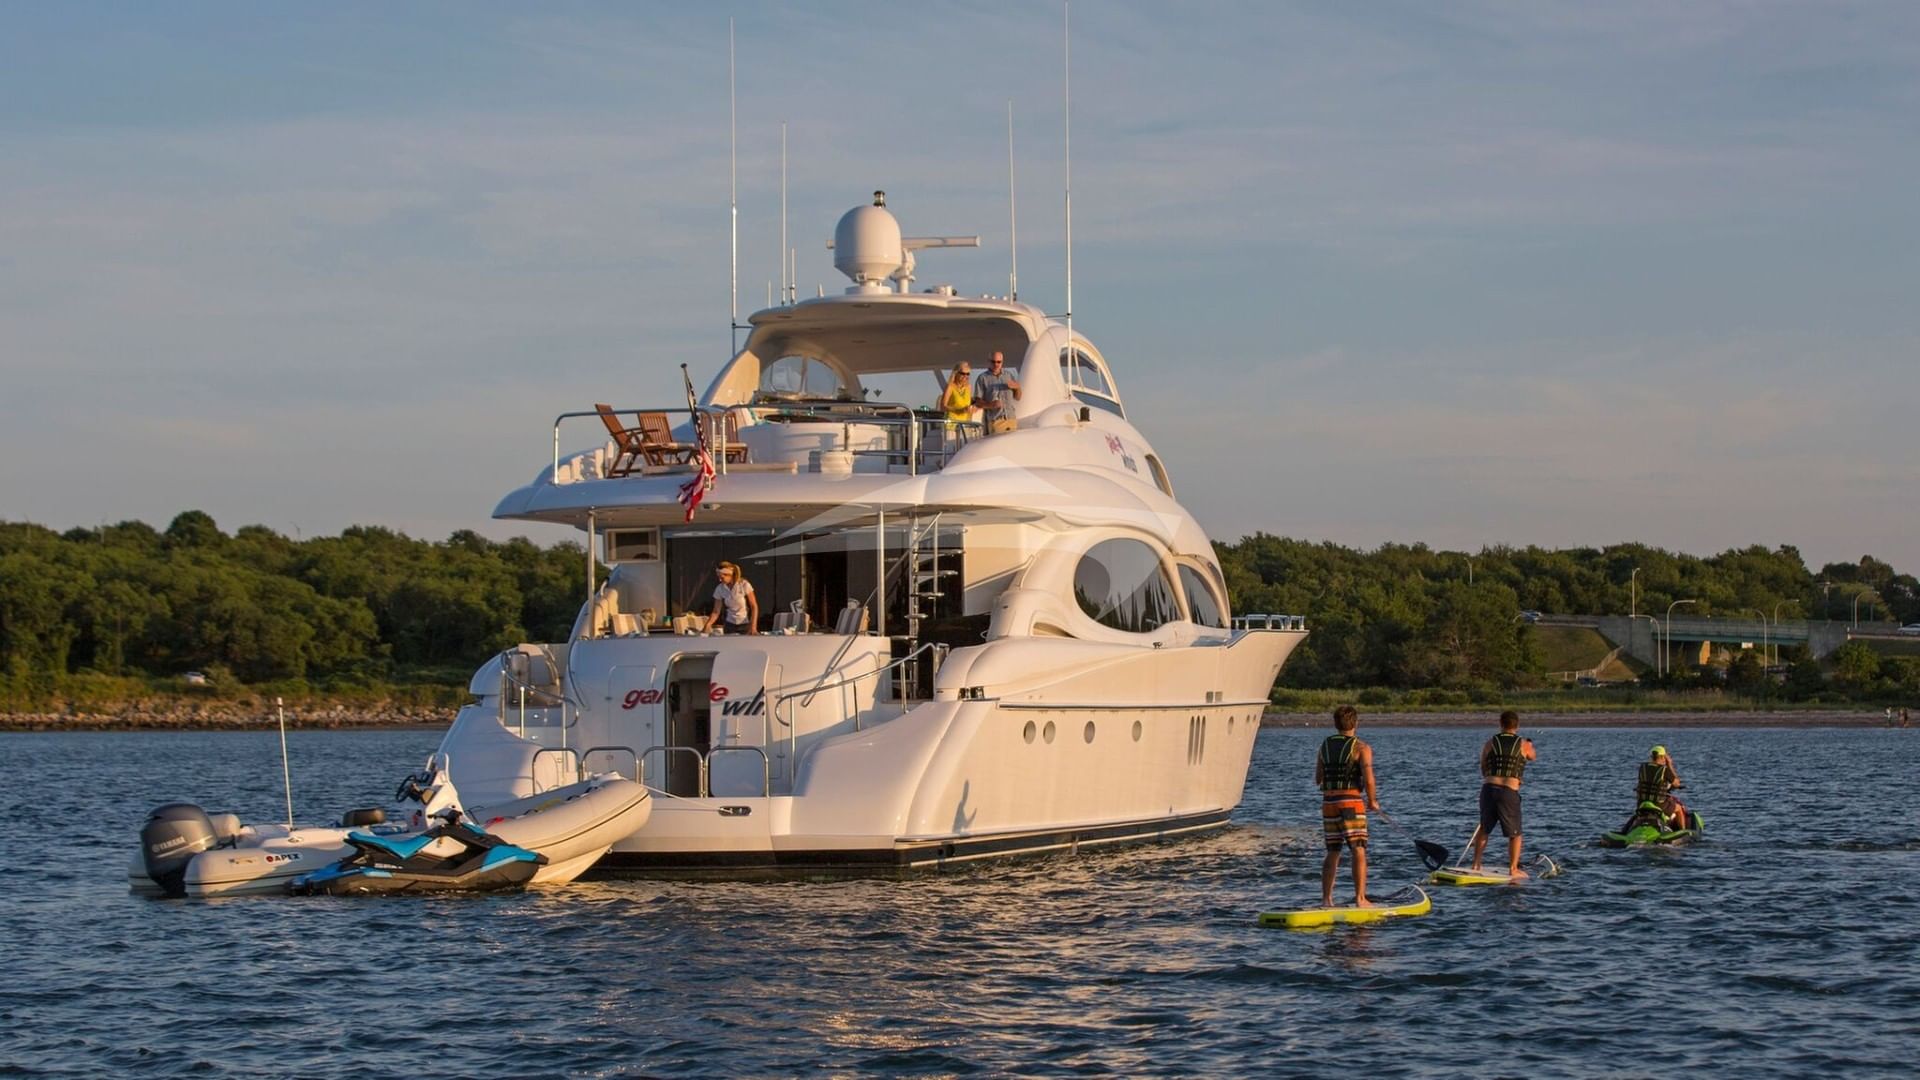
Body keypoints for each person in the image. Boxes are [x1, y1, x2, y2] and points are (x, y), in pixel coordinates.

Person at [1315, 704, 1378, 908]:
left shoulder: (1324, 746)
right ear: (1355, 723)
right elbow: (1369, 779)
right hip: (1350, 802)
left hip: (1328, 803)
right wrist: (1373, 801)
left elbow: (1318, 779)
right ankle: (1361, 899)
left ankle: (1326, 899)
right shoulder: (1362, 748)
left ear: (1336, 724)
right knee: (1358, 848)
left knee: (1333, 850)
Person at [1471, 710, 1537, 878]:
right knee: (1515, 834)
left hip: (1489, 789)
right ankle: (1513, 869)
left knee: (1484, 829)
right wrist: (1530, 744)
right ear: (1517, 725)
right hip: (1509, 792)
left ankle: (1476, 864)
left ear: (1501, 724)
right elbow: (1532, 756)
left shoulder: (1490, 743)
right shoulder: (1523, 744)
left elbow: (1483, 767)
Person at [1635, 745, 1688, 831]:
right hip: (1659, 805)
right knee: (1679, 808)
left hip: (1641, 804)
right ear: (1663, 757)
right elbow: (1677, 783)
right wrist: (1669, 764)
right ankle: (1683, 832)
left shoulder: (1642, 768)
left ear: (1652, 757)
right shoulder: (1664, 770)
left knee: (1636, 814)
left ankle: (1624, 831)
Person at [972, 350, 1021, 432]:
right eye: (993, 362)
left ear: (1002, 362)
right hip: (995, 420)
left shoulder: (1009, 376)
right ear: (988, 361)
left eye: (999, 362)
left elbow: (1018, 397)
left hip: (1011, 419)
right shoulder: (982, 378)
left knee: (1013, 445)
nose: (996, 364)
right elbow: (978, 402)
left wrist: (1017, 388)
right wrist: (991, 405)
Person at [707, 561, 759, 635]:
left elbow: (754, 606)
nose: (720, 580)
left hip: (745, 625)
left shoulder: (744, 584)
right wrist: (708, 625)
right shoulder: (719, 588)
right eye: (718, 577)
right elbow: (716, 611)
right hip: (729, 625)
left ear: (730, 575)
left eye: (722, 577)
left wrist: (753, 627)